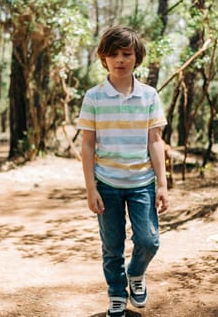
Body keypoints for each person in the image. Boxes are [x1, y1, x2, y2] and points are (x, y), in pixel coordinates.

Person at [77, 25, 169, 317]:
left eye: (126, 53)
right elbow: (88, 145)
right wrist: (91, 188)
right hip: (106, 183)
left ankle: (135, 274)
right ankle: (116, 294)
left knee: (148, 240)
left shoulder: (149, 95)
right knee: (112, 246)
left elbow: (155, 140)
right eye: (113, 54)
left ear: (136, 57)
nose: (120, 59)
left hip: (142, 182)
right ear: (103, 58)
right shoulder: (94, 97)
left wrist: (162, 184)